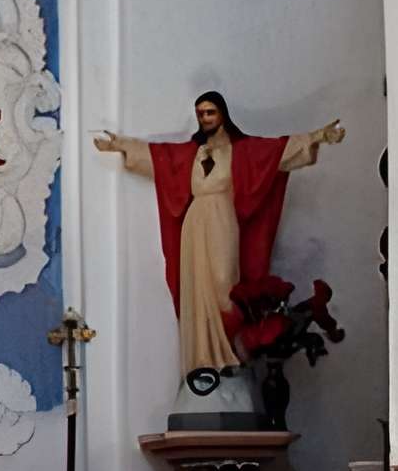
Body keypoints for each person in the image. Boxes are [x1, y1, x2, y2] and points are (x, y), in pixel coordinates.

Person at [96, 92, 342, 387]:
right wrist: (119, 145)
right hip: (194, 224)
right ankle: (202, 361)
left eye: (210, 112)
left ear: (222, 114)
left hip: (223, 219)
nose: (205, 118)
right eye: (200, 113)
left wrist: (318, 136)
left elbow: (278, 152)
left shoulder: (241, 151)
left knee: (225, 283)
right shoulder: (192, 153)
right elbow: (157, 157)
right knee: (196, 290)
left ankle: (229, 357)